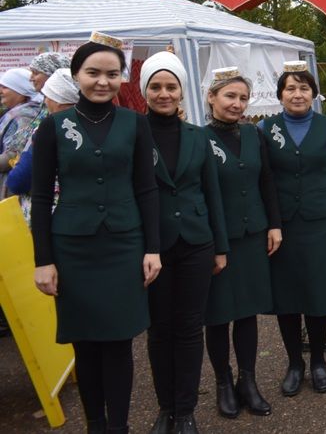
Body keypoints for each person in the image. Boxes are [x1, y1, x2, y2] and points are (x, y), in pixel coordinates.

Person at [30, 33, 162, 434]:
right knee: (85, 343)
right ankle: (96, 425)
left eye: (111, 73)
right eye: (93, 73)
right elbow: (39, 196)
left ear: (122, 77)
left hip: (124, 244)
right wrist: (43, 260)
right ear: (76, 75)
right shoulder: (53, 127)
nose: (102, 81)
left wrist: (152, 249)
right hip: (73, 249)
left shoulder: (136, 124)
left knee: (121, 343)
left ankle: (119, 426)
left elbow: (146, 188)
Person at [141, 51, 229, 434]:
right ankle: (165, 408)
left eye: (170, 86)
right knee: (159, 329)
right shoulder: (133, 133)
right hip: (154, 246)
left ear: (182, 91)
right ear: (145, 90)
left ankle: (186, 409)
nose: (164, 93)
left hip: (196, 243)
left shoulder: (198, 136)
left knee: (191, 327)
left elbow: (212, 193)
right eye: (156, 86)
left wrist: (221, 247)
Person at [258, 61, 326, 397]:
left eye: (304, 88)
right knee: (286, 296)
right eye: (291, 88)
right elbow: (263, 176)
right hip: (281, 226)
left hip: (321, 223)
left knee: (317, 293)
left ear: (313, 93)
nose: (297, 94)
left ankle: (318, 362)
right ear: (280, 94)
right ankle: (294, 362)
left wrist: (319, 198)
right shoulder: (266, 129)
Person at [204, 66, 282, 419]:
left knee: (248, 313)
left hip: (253, 235)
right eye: (229, 96)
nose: (237, 104)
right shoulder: (199, 138)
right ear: (212, 97)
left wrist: (275, 225)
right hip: (218, 240)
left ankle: (247, 381)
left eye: (242, 98)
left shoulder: (254, 135)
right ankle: (223, 383)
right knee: (218, 315)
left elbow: (267, 180)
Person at [6, 68, 78, 222]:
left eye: (47, 96)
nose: (45, 101)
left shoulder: (48, 129)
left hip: (49, 217)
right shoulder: (97, 126)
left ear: (58, 100)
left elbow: (18, 181)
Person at [0, 67, 45, 194]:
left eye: (5, 87)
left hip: (13, 188)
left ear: (20, 90)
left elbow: (15, 154)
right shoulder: (13, 113)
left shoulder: (26, 116)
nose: (1, 91)